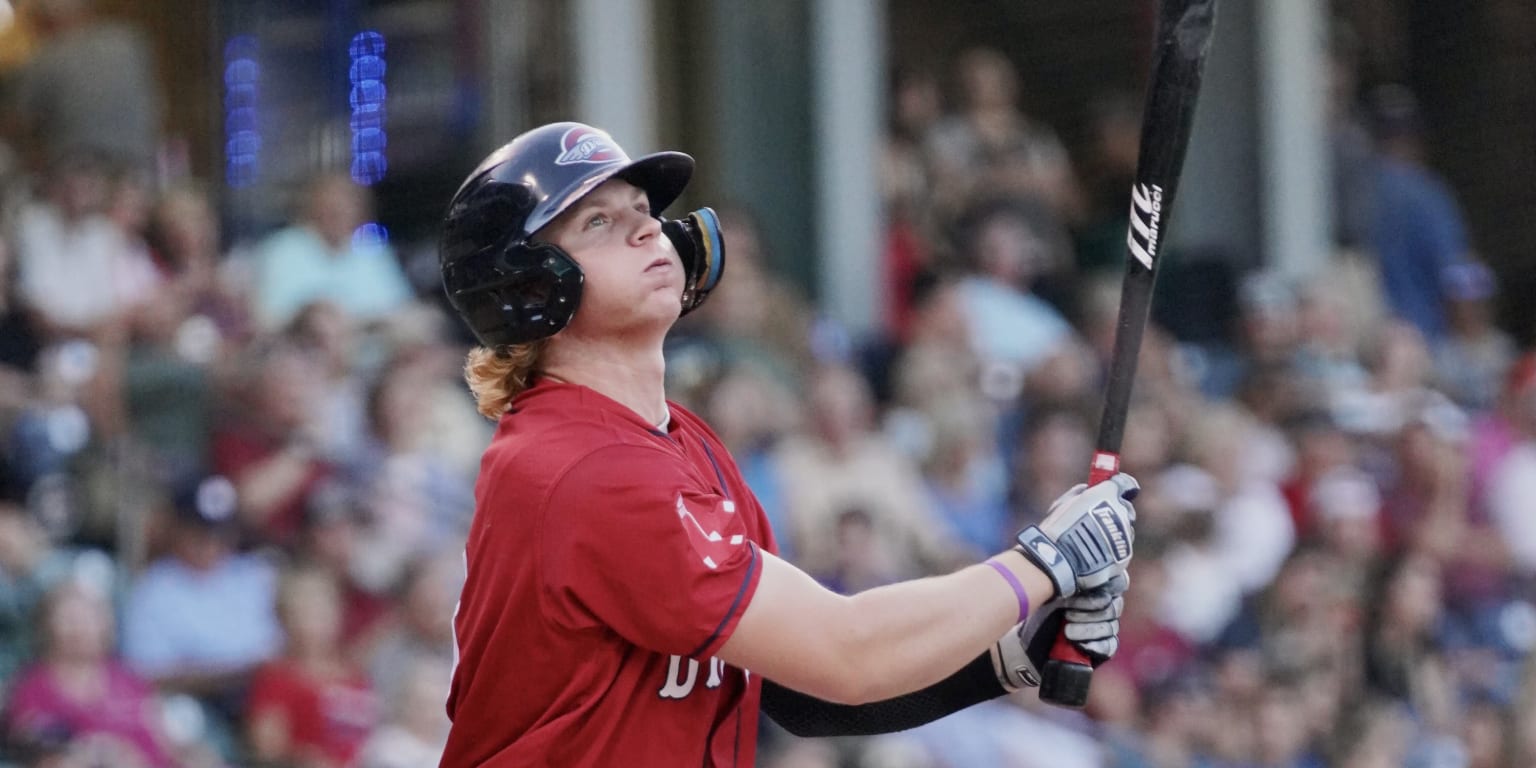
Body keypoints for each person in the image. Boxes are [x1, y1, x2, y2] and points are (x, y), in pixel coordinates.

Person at [436, 121, 1140, 765]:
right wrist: (1043, 564)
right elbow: (847, 651)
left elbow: (800, 690)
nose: (649, 232)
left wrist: (1013, 653)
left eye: (644, 214)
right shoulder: (583, 467)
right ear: (531, 288)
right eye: (598, 222)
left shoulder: (679, 442)